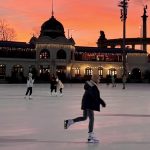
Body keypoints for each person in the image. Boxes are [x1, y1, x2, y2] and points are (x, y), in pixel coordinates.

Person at [64, 74, 106, 143]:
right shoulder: (92, 86)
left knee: (84, 117)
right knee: (91, 118)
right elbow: (95, 96)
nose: (99, 80)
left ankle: (69, 121)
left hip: (86, 103)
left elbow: (93, 95)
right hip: (88, 104)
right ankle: (90, 136)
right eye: (98, 79)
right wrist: (102, 102)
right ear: (95, 79)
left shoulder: (90, 84)